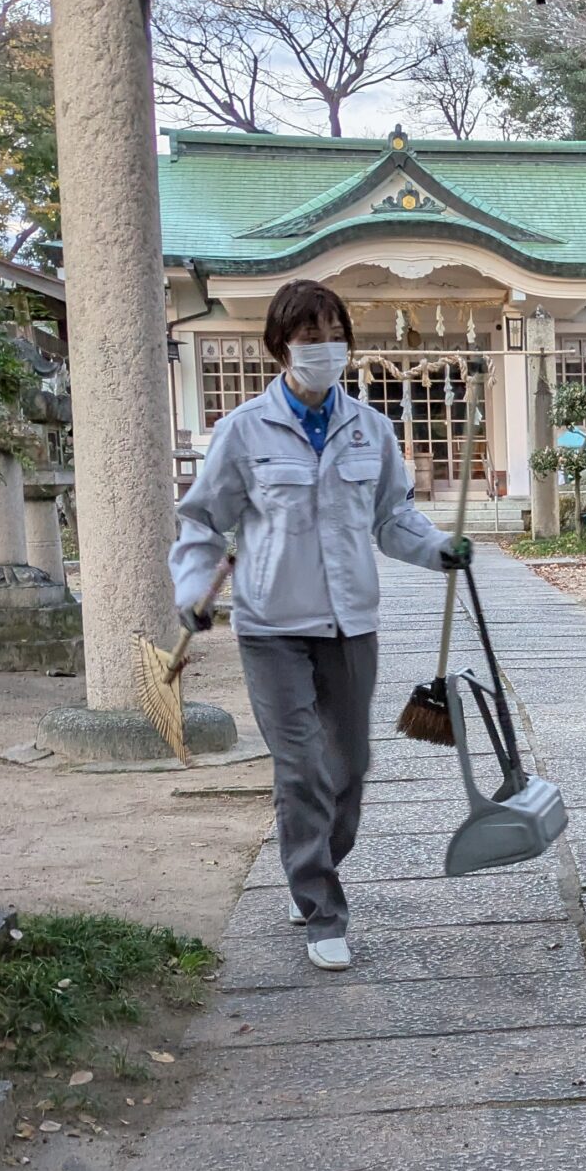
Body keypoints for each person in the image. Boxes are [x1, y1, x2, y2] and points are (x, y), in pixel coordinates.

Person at [170, 279, 467, 972]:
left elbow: (393, 518)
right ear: (281, 346)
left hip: (350, 623)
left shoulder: (371, 428)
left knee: (349, 769)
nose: (327, 349)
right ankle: (322, 907)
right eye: (312, 338)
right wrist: (192, 590)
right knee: (302, 766)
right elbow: (203, 523)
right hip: (271, 625)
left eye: (336, 337)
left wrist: (439, 548)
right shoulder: (244, 430)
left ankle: (312, 865)